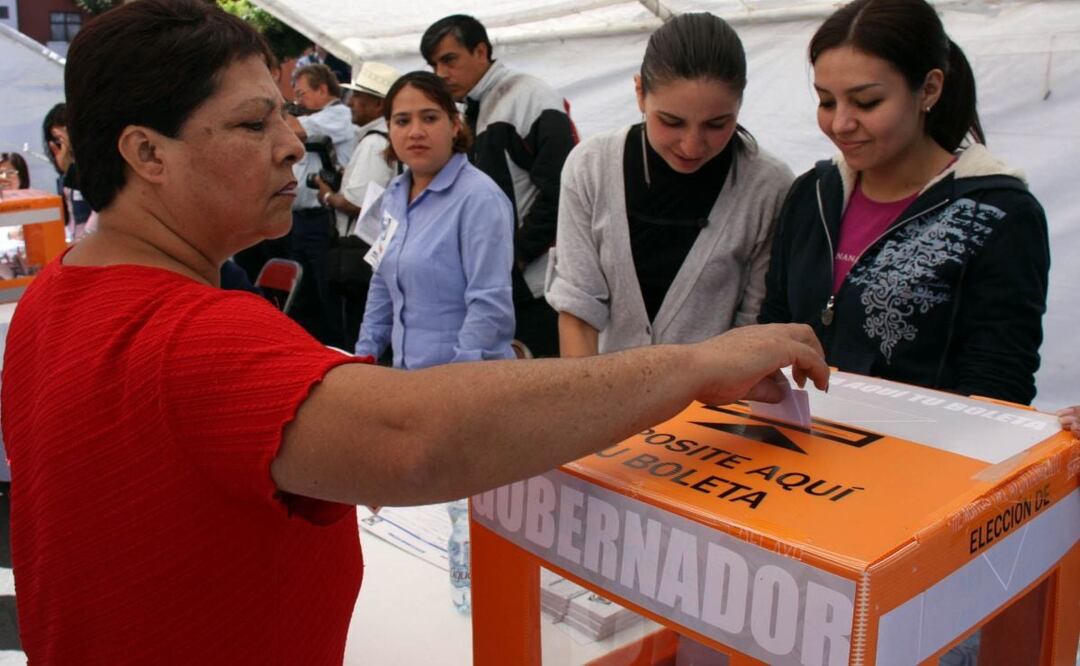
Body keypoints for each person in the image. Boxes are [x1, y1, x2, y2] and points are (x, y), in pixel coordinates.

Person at [0, 1, 828, 662]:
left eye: (287, 115)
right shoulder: (191, 335)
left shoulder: (53, 296)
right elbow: (414, 438)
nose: (294, 145)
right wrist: (692, 367)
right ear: (147, 152)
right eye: (254, 126)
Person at [760, 0, 1050, 406]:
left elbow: (998, 382)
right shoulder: (813, 193)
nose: (840, 123)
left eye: (866, 102)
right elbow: (772, 328)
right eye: (826, 101)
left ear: (929, 89)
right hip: (791, 453)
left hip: (922, 458)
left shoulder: (997, 213)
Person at [546, 13, 793, 357]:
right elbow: (578, 308)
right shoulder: (591, 167)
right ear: (640, 94)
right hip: (608, 397)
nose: (692, 145)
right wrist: (585, 405)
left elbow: (753, 327)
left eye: (717, 124)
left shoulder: (767, 186)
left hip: (713, 403)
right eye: (671, 121)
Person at [421, 14, 576, 358]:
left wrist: (518, 254)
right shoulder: (476, 107)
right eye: (434, 64)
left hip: (535, 288)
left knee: (541, 394)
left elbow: (565, 188)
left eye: (449, 60)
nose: (441, 74)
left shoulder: (528, 95)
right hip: (497, 285)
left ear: (481, 51)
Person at [354, 71, 516, 369]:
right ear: (388, 128)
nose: (415, 131)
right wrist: (364, 357)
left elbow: (489, 305)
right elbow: (382, 282)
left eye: (429, 118)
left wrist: (452, 384)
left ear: (455, 124)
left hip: (464, 386)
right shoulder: (394, 194)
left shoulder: (479, 199)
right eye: (402, 121)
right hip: (406, 379)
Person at [316, 61, 401, 349]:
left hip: (361, 250)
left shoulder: (373, 143)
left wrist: (327, 196)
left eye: (359, 98)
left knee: (359, 326)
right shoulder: (381, 140)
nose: (351, 103)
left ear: (378, 105)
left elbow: (357, 202)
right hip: (373, 250)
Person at [286, 63, 358, 348]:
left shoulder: (337, 115)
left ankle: (337, 348)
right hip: (302, 218)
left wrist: (280, 109)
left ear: (323, 89)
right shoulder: (315, 117)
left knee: (326, 289)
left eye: (303, 93)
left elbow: (294, 129)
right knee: (304, 292)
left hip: (323, 217)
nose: (299, 100)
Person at [42, 103, 94, 238]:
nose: (63, 146)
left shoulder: (98, 170)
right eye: (57, 140)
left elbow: (104, 209)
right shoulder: (64, 176)